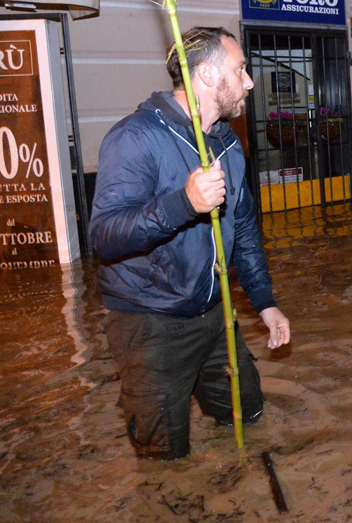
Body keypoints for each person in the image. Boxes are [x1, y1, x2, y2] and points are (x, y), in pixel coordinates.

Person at [90, 26, 291, 460]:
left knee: (251, 419)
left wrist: (265, 303)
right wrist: (183, 203)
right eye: (240, 70)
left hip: (214, 315)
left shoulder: (228, 144)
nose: (250, 82)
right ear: (205, 74)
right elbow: (104, 236)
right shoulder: (135, 138)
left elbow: (244, 229)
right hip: (151, 324)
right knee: (165, 458)